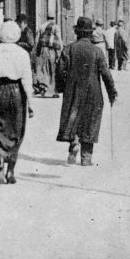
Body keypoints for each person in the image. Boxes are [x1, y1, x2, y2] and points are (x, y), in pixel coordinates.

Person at [56, 17, 117, 167]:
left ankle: (74, 142)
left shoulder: (68, 49)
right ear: (91, 34)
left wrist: (62, 87)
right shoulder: (97, 51)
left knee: (74, 117)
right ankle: (86, 157)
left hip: (73, 90)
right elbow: (106, 74)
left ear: (77, 32)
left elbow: (59, 71)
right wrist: (112, 93)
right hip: (93, 92)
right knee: (90, 121)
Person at [0, 20, 33, 184]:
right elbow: (27, 81)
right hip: (17, 92)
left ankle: (0, 158)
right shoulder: (23, 53)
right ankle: (11, 171)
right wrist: (31, 103)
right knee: (16, 129)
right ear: (17, 35)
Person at [33, 17, 62, 97]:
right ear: (53, 18)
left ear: (47, 17)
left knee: (44, 69)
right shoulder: (56, 27)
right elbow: (59, 39)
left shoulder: (41, 26)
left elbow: (37, 40)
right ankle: (54, 91)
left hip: (43, 50)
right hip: (52, 50)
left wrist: (36, 51)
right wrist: (61, 51)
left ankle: (43, 88)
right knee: (53, 69)